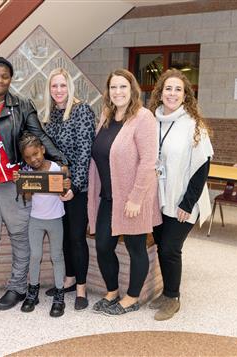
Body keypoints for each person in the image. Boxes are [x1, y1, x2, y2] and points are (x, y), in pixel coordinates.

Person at [0, 57, 68, 319]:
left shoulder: (22, 106)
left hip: (12, 182)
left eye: (5, 76)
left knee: (20, 236)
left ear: (11, 80)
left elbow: (40, 136)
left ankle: (18, 288)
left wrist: (61, 161)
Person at [87, 69, 162, 316]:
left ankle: (131, 297)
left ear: (132, 90)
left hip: (133, 198)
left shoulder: (143, 117)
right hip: (109, 196)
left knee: (135, 247)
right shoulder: (107, 115)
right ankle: (112, 292)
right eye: (113, 87)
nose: (118, 92)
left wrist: (136, 198)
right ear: (108, 91)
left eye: (123, 87)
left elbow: (149, 160)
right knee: (103, 246)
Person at [147, 68, 213, 321]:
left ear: (185, 95)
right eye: (168, 88)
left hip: (183, 200)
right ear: (160, 93)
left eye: (178, 89)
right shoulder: (150, 120)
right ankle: (166, 292)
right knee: (162, 245)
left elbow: (202, 168)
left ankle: (173, 298)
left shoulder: (193, 126)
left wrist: (188, 203)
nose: (172, 93)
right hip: (158, 197)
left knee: (170, 249)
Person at [41, 68, 95, 310]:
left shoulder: (82, 110)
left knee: (76, 237)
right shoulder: (50, 114)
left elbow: (85, 153)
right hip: (55, 185)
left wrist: (75, 185)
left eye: (63, 85)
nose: (59, 90)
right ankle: (69, 279)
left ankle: (82, 288)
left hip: (77, 186)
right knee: (61, 236)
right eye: (54, 86)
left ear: (70, 87)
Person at [14, 132, 73, 317]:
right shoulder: (28, 173)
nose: (33, 159)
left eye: (36, 154)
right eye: (28, 157)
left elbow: (64, 194)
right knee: (35, 255)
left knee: (56, 256)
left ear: (43, 150)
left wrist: (66, 187)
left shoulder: (57, 169)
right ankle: (32, 293)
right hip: (36, 220)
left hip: (55, 218)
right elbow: (28, 197)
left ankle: (59, 294)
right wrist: (21, 185)